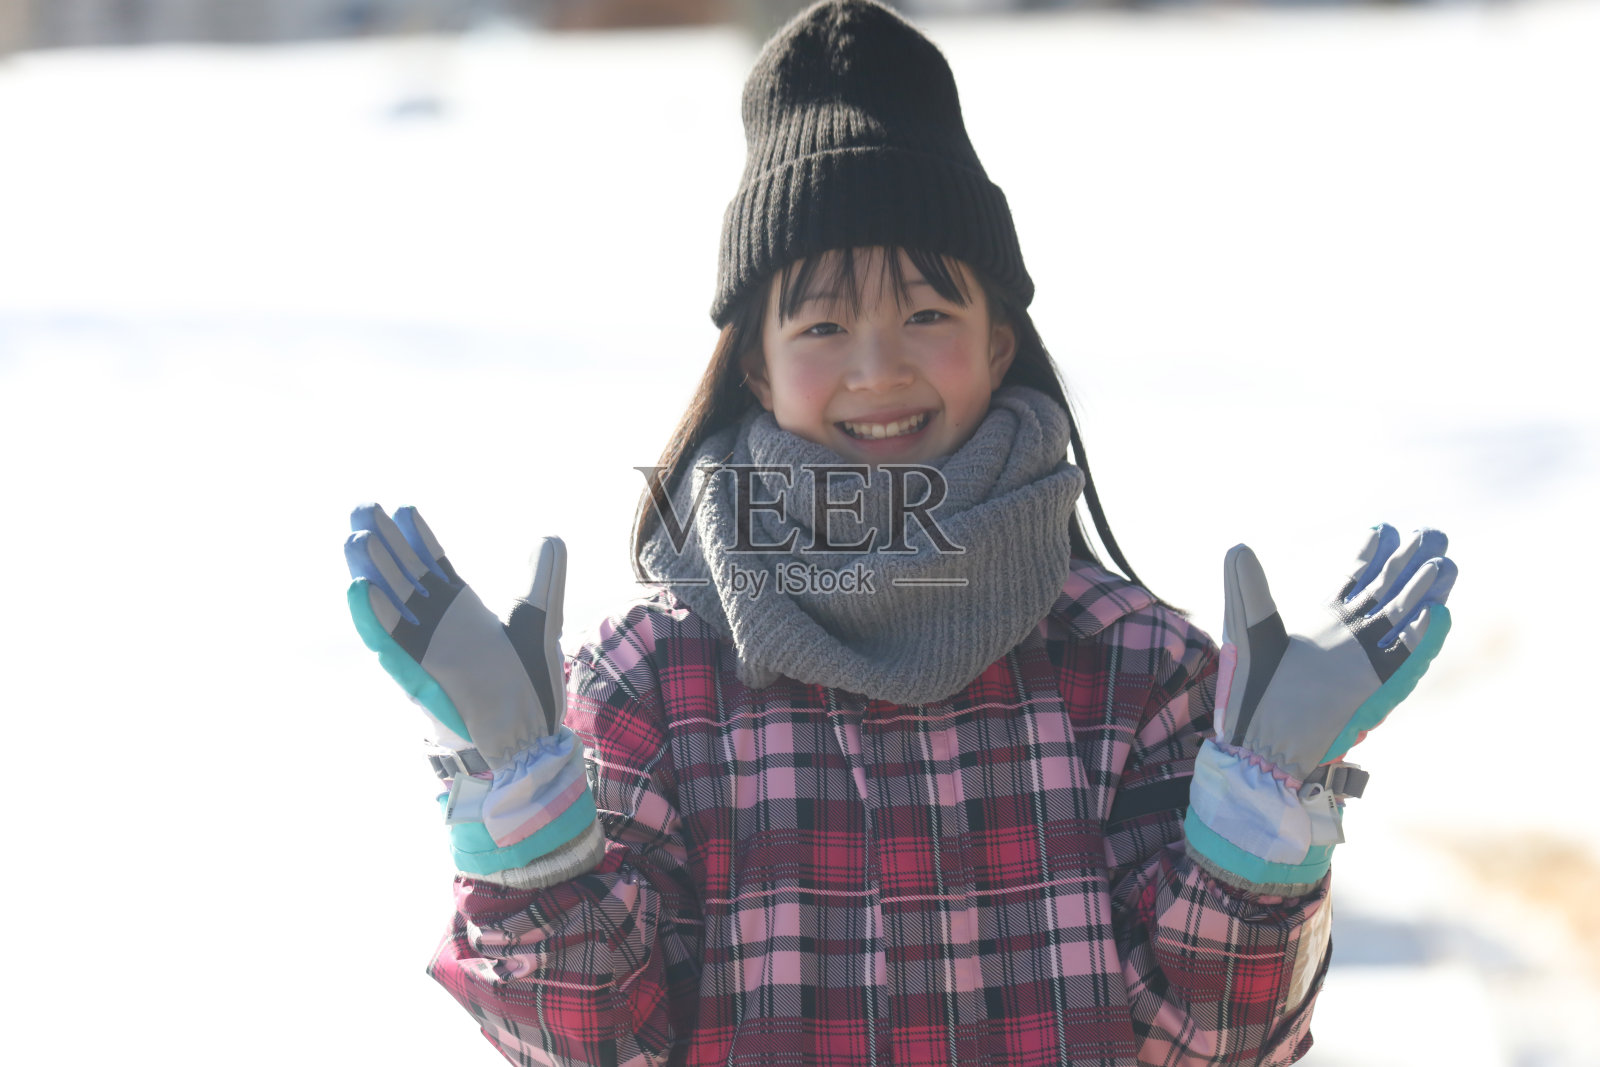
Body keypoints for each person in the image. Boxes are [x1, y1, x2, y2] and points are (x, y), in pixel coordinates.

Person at [342, 2, 1458, 1064]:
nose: (879, 368)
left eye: (928, 311)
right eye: (824, 322)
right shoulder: (655, 682)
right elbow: (602, 1044)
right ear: (753, 363)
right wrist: (529, 818)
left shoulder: (1136, 668)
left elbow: (1209, 1046)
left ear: (1001, 338)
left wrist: (1257, 816)